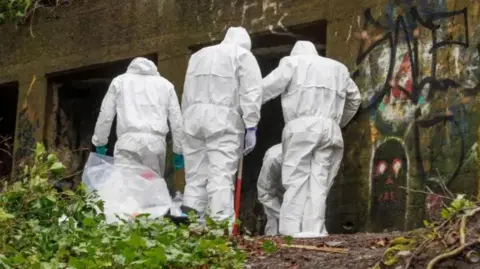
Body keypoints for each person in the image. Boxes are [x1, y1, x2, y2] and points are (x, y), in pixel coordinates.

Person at [262, 41, 361, 237]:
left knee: (296, 178)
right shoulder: (339, 69)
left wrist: (243, 107)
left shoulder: (292, 63)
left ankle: (290, 230)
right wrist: (337, 122)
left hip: (301, 127)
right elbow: (355, 99)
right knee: (319, 181)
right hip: (330, 129)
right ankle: (313, 230)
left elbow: (265, 89)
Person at [181, 26, 262, 223]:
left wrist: (185, 120)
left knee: (194, 178)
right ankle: (220, 231)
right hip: (222, 120)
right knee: (221, 175)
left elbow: (186, 91)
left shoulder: (198, 56)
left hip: (192, 119)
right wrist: (251, 124)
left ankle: (192, 229)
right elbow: (251, 91)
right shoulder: (242, 55)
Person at [92, 57, 184, 177]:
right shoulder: (166, 85)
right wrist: (179, 150)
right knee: (152, 187)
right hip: (155, 145)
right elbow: (176, 119)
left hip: (127, 144)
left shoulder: (120, 81)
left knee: (126, 189)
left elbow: (106, 114)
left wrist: (100, 141)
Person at [257, 143, 284, 236]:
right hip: (275, 189)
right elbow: (264, 192)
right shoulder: (274, 158)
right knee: (274, 222)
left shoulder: (314, 155)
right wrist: (284, 217)